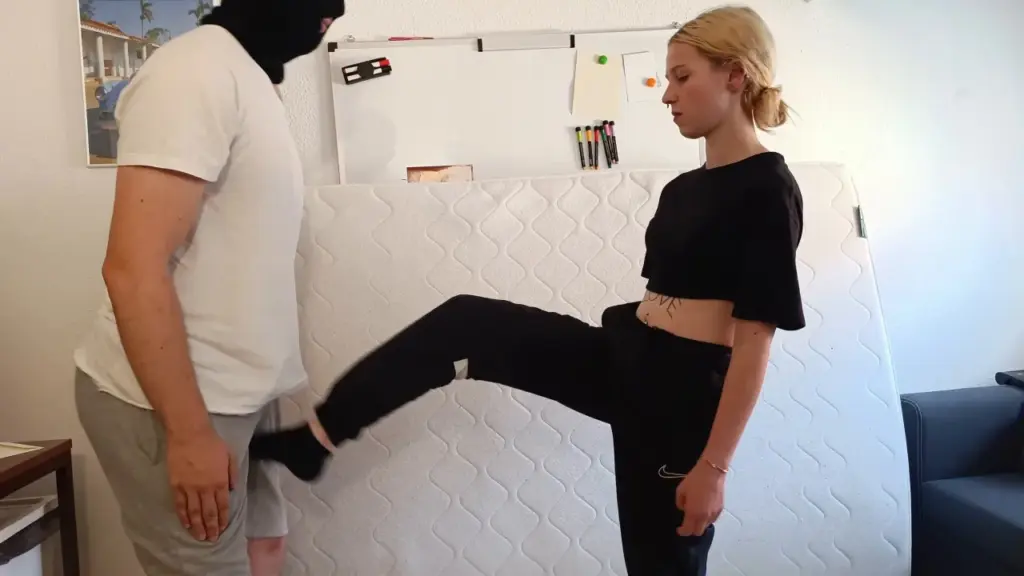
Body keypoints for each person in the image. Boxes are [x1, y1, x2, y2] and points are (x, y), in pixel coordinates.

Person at [251, 5, 804, 575]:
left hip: (680, 401)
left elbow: (754, 342)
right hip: (629, 356)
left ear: (734, 75)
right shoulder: (684, 189)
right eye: (667, 78)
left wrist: (714, 467)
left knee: (659, 562)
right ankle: (316, 439)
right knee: (466, 320)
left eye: (682, 77)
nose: (667, 94)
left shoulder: (767, 188)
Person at [73, 1, 345, 574]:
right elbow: (132, 270)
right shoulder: (194, 71)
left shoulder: (250, 76)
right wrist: (190, 433)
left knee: (265, 549)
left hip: (241, 392)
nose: (334, 14)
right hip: (179, 401)